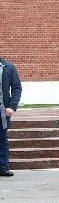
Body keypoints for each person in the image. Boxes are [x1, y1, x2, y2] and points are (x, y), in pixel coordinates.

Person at [0, 49, 17, 177]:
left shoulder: (8, 67)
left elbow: (17, 88)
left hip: (2, 109)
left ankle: (3, 166)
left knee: (2, 138)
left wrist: (12, 106)